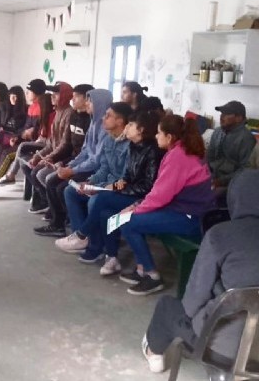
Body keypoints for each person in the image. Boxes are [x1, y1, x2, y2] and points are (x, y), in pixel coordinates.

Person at [141, 169, 259, 373]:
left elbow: (191, 303)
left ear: (235, 198)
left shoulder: (219, 236)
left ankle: (154, 352)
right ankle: (236, 378)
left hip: (221, 352)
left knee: (167, 306)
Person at [55, 109, 162, 277]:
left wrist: (108, 189)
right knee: (100, 209)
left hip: (141, 198)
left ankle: (83, 236)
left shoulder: (152, 151)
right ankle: (112, 258)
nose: (128, 128)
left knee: (100, 200)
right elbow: (119, 174)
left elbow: (147, 187)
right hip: (125, 190)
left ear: (140, 129)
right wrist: (93, 183)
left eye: (131, 125)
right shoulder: (132, 146)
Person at [118, 115, 214, 296]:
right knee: (128, 218)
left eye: (159, 133)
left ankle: (152, 276)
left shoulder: (179, 157)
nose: (155, 136)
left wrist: (135, 209)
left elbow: (160, 196)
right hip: (182, 210)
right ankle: (141, 270)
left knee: (126, 221)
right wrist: (138, 205)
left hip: (191, 218)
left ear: (169, 137)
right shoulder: (183, 151)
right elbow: (160, 192)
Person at [33, 88, 111, 237]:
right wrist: (70, 166)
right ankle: (58, 224)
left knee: (64, 187)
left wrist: (73, 171)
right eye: (87, 99)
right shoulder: (94, 123)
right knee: (53, 181)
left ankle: (80, 232)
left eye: (90, 100)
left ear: (100, 103)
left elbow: (96, 160)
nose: (87, 104)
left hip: (96, 171)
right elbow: (85, 152)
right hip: (86, 166)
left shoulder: (105, 129)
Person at [53, 102, 132, 243]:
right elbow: (104, 168)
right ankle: (81, 237)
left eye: (108, 116)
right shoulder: (109, 139)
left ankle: (92, 243)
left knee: (94, 201)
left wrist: (97, 187)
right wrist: (91, 182)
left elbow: (124, 178)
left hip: (120, 188)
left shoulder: (130, 145)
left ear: (120, 121)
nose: (103, 118)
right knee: (70, 191)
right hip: (105, 184)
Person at [26, 82, 73, 214]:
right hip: (55, 154)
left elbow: (64, 144)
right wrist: (38, 155)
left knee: (40, 174)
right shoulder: (58, 113)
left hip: (63, 156)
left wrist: (50, 157)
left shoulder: (69, 114)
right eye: (52, 93)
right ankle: (49, 203)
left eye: (56, 94)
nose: (52, 96)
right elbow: (51, 143)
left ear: (64, 96)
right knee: (34, 169)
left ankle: (56, 209)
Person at [0, 79, 48, 185]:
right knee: (2, 147)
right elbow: (26, 128)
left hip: (39, 143)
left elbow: (38, 130)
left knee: (11, 153)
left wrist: (28, 134)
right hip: (28, 140)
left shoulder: (44, 108)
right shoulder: (31, 107)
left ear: (37, 93)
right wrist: (18, 136)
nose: (26, 94)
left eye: (29, 91)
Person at [206, 100, 256, 194]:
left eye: (226, 114)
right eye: (221, 113)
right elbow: (209, 157)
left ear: (239, 118)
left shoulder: (246, 139)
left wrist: (221, 181)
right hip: (212, 178)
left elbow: (245, 170)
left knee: (209, 196)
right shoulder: (217, 132)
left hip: (232, 184)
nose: (221, 116)